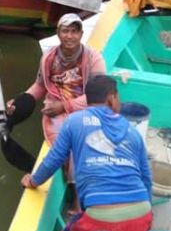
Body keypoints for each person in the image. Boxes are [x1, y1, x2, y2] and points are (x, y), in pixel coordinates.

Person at [21, 75, 153, 231]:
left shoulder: (73, 121)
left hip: (100, 218)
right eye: (119, 97)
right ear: (111, 99)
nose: (119, 102)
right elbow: (146, 178)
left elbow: (54, 159)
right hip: (142, 214)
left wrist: (33, 181)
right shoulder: (133, 132)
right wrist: (147, 217)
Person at [6, 12, 105, 213]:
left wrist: (65, 106)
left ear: (81, 33)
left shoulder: (93, 58)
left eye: (74, 31)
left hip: (86, 108)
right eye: (65, 31)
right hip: (55, 112)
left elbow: (98, 95)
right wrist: (21, 100)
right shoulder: (49, 58)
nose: (69, 36)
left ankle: (82, 194)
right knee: (68, 145)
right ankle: (76, 196)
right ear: (58, 33)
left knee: (87, 139)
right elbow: (39, 86)